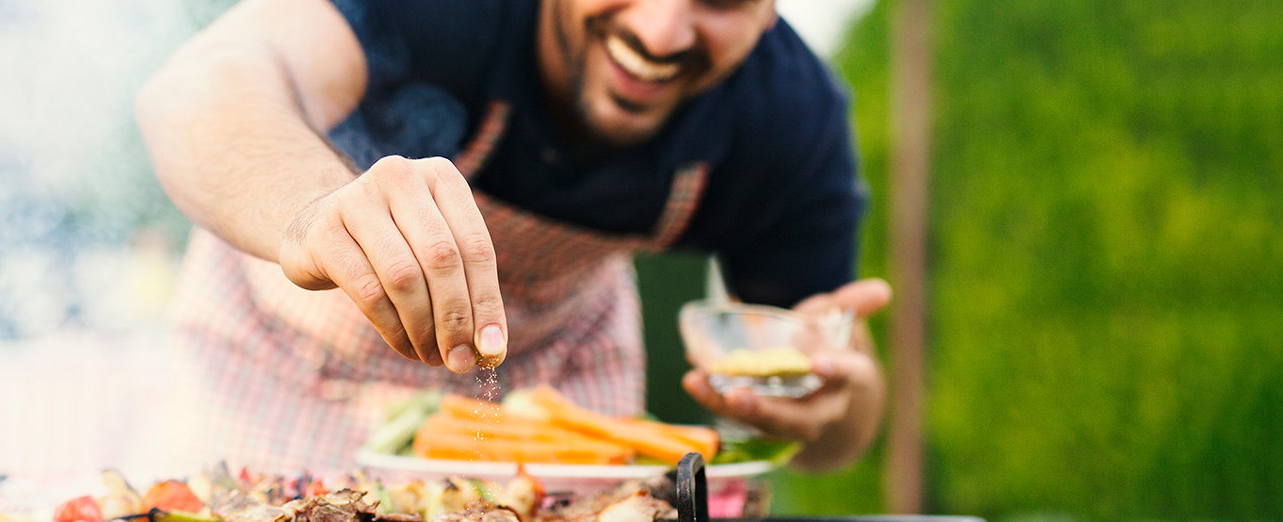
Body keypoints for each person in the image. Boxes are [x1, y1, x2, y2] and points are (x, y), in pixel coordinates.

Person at [137, 0, 891, 475]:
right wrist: (311, 213)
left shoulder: (789, 117)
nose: (660, 29)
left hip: (550, 388)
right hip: (282, 365)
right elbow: (202, 85)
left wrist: (824, 408)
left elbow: (839, 433)